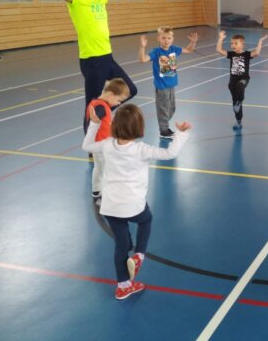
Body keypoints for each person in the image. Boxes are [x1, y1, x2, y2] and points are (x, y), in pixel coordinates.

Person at [82, 104, 191, 300]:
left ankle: (123, 286)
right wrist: (181, 134)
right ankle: (139, 256)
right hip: (132, 205)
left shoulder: (107, 144)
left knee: (121, 244)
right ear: (139, 127)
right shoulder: (141, 149)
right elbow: (169, 154)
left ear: (115, 125)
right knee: (145, 220)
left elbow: (86, 146)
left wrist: (94, 125)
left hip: (110, 206)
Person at [35, 0, 141, 131]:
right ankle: (90, 143)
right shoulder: (76, 0)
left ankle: (102, 113)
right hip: (92, 60)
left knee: (130, 90)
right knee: (91, 107)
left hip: (107, 57)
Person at [139, 26, 198, 139]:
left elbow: (189, 50)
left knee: (171, 108)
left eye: (169, 38)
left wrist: (192, 42)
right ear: (158, 38)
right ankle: (163, 130)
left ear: (172, 39)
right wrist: (142, 47)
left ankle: (164, 125)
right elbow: (143, 59)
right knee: (163, 108)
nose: (166, 41)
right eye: (163, 38)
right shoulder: (156, 52)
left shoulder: (174, 49)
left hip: (171, 85)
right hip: (161, 86)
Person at [85, 78, 131, 202]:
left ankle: (97, 190)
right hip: (101, 146)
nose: (118, 103)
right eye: (118, 100)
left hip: (100, 145)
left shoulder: (98, 104)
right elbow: (93, 121)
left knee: (100, 168)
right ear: (110, 94)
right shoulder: (101, 106)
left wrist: (110, 118)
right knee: (105, 169)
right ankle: (106, 192)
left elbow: (100, 120)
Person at [216, 30, 268, 130]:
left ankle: (239, 102)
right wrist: (220, 38)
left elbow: (257, 53)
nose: (233, 45)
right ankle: (238, 121)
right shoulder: (231, 54)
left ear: (242, 45)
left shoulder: (246, 54)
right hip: (232, 81)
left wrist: (260, 41)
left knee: (240, 87)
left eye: (236, 43)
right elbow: (219, 50)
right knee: (234, 102)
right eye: (231, 43)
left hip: (243, 78)